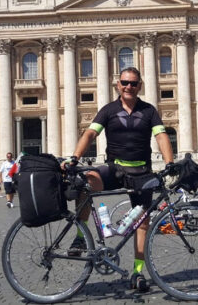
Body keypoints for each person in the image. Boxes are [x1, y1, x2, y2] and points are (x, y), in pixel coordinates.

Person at [65, 67, 174, 292]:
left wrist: (170, 163)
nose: (129, 87)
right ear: (118, 85)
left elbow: (161, 135)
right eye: (125, 82)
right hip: (115, 169)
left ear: (139, 86)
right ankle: (80, 236)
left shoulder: (149, 110)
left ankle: (138, 272)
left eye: (133, 83)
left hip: (142, 172)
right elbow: (90, 133)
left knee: (142, 222)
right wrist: (75, 158)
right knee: (88, 180)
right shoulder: (109, 110)